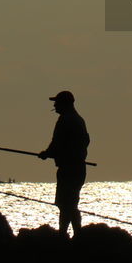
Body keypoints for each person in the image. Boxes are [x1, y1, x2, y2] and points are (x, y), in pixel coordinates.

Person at [39, 90, 90, 238]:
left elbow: (57, 143)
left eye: (57, 102)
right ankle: (76, 235)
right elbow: (83, 142)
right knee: (70, 204)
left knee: (65, 204)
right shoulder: (79, 120)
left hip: (69, 169)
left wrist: (46, 153)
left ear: (65, 104)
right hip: (78, 168)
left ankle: (64, 235)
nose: (55, 105)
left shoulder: (66, 120)